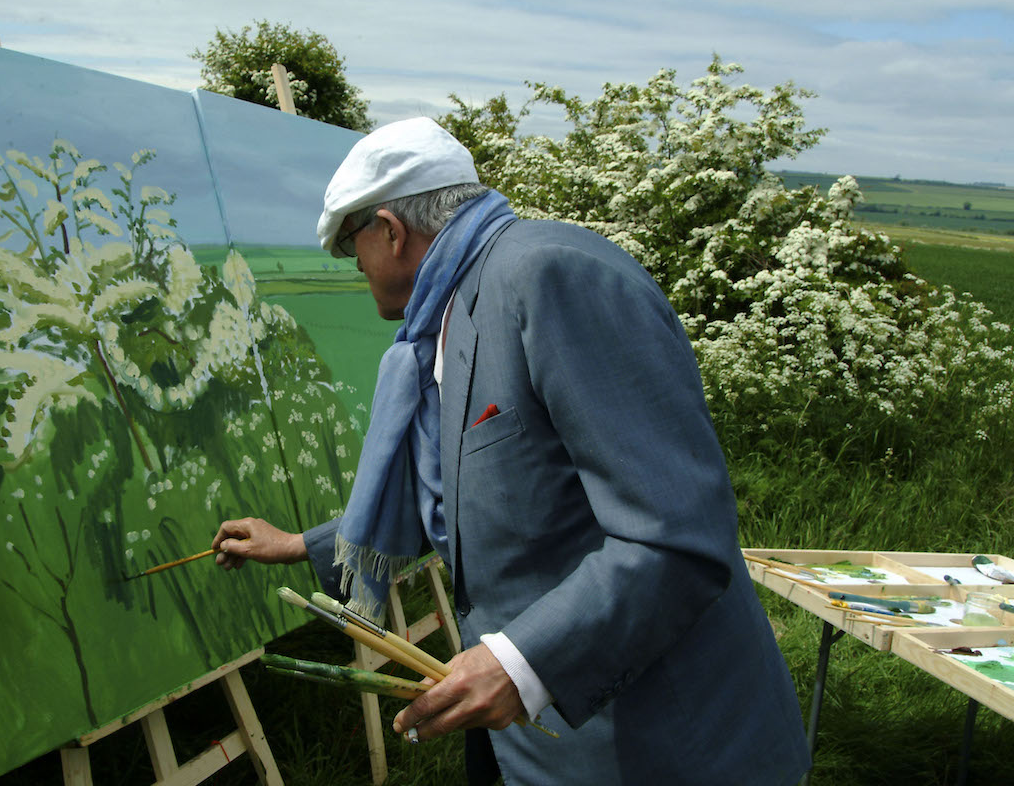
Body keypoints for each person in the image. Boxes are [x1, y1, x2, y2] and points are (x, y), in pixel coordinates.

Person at [214, 117, 810, 785]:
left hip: (658, 748)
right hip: (547, 748)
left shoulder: (548, 278)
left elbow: (675, 536)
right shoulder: (452, 315)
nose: (354, 264)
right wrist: (298, 544)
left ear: (390, 229)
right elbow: (471, 492)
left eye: (349, 243)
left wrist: (521, 663)